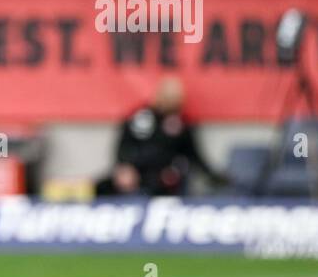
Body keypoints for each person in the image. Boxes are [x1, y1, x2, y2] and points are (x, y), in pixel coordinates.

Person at [96, 77, 227, 196]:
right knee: (102, 187)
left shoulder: (182, 124)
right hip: (135, 173)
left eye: (175, 98)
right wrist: (125, 168)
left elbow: (194, 155)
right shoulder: (142, 117)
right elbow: (124, 146)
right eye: (168, 97)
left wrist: (214, 176)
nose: (171, 102)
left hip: (164, 178)